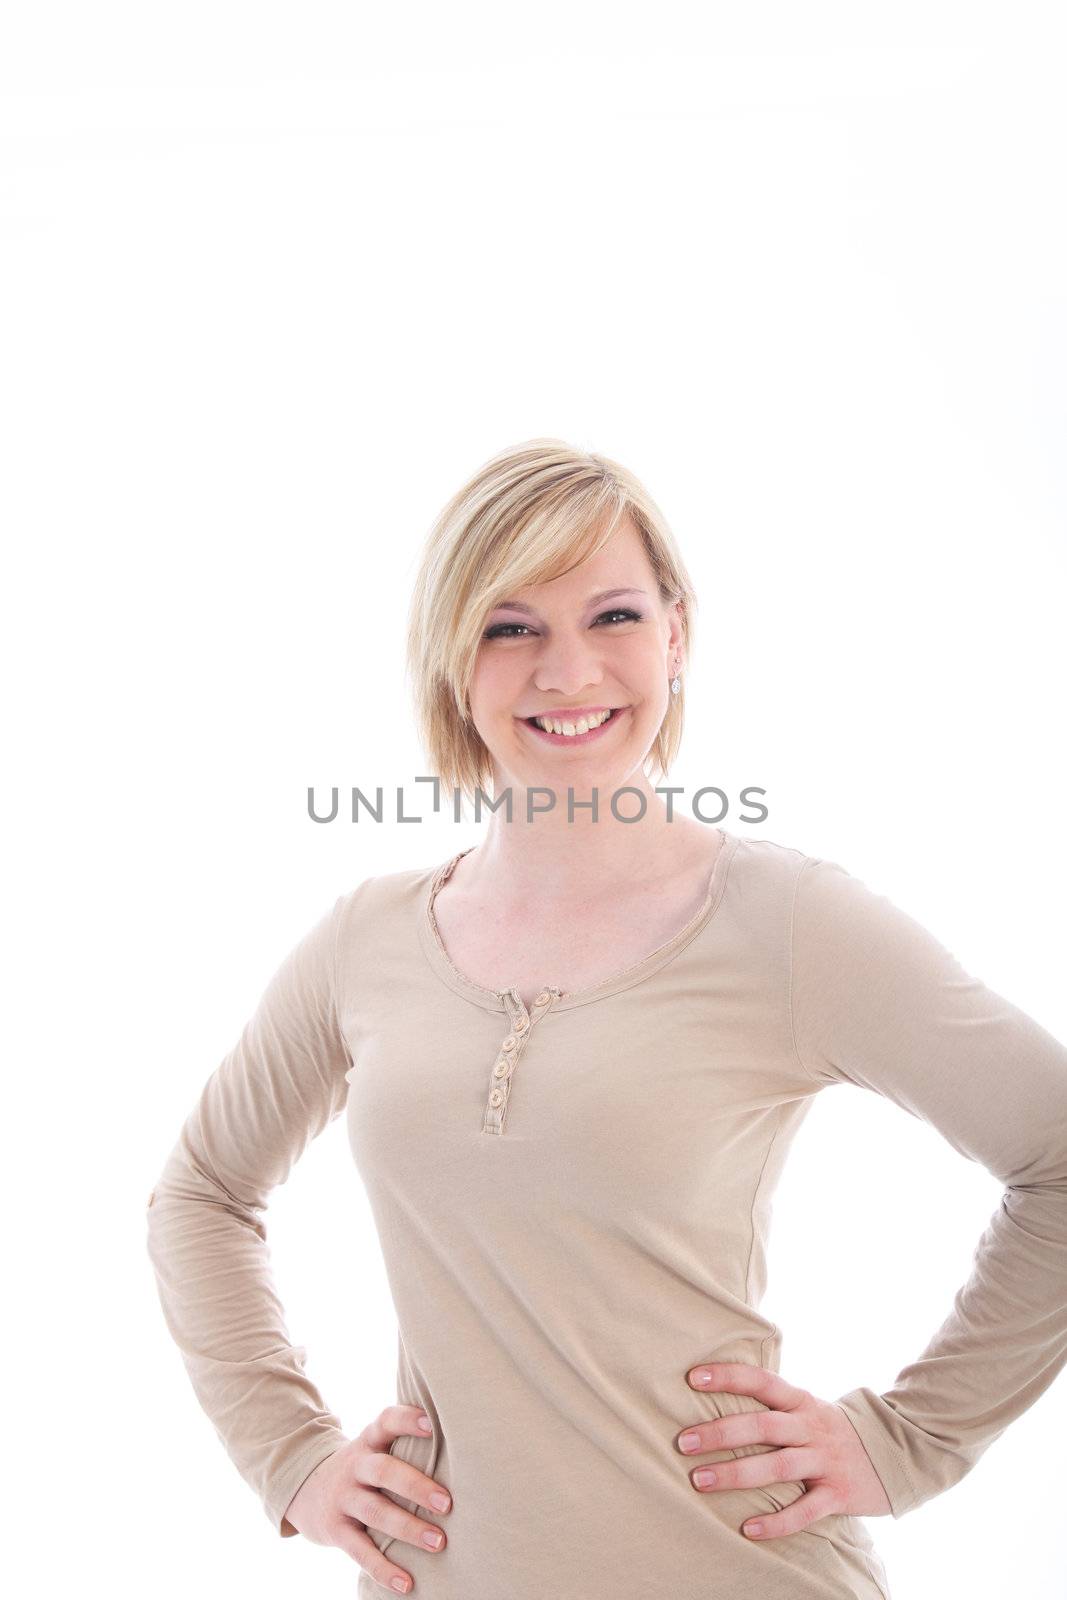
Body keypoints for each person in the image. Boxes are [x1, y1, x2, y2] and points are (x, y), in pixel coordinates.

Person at [145, 438, 1067, 1600]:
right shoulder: (365, 940)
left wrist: (909, 1438)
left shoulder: (789, 925)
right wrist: (289, 1457)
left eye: (613, 615)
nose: (567, 671)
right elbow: (200, 1194)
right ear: (449, 660)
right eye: (508, 625)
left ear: (675, 634)